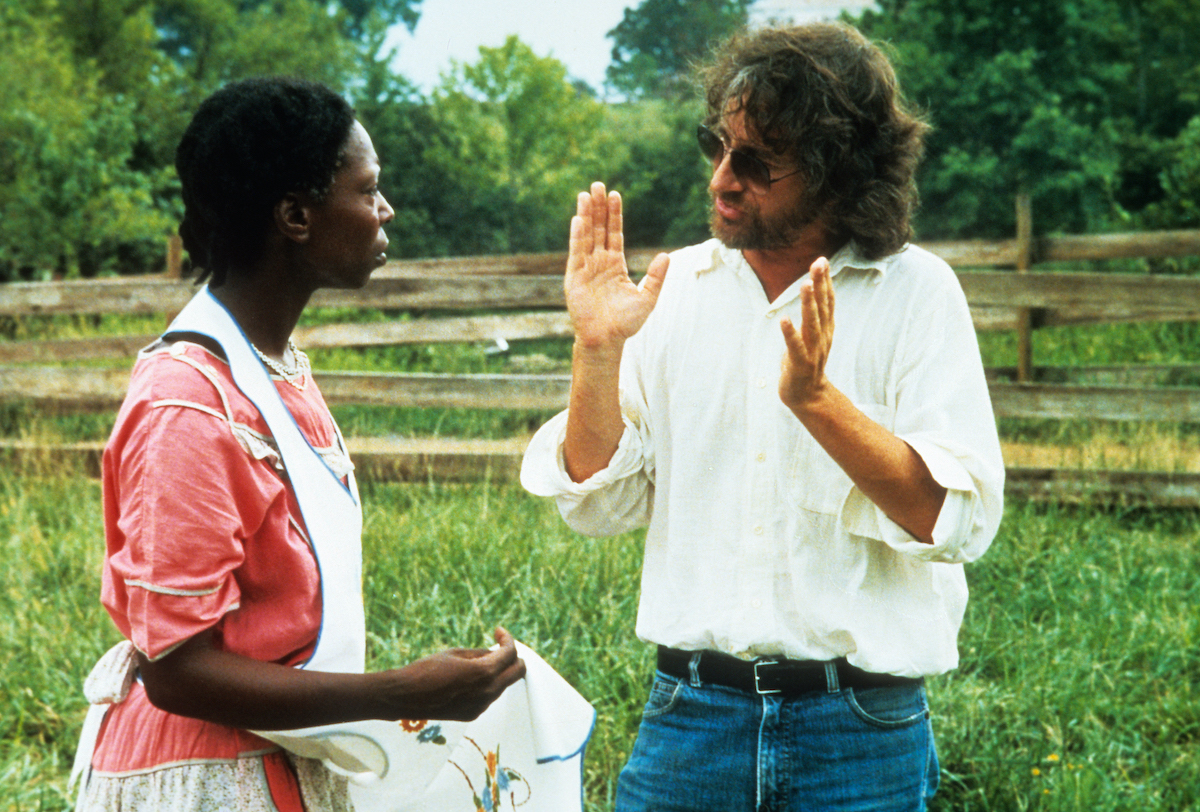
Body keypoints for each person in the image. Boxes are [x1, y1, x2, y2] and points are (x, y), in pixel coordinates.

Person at [521, 22, 1004, 811]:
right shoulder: (675, 291)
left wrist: (819, 405)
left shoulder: (916, 293)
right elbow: (599, 504)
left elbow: (954, 521)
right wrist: (598, 348)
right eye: (718, 146)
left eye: (756, 161)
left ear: (837, 173)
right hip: (689, 723)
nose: (722, 178)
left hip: (861, 733)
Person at [74, 77, 525, 812]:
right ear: (295, 216)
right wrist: (404, 691)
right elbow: (175, 670)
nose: (386, 210)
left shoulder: (271, 373)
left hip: (279, 755)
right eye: (367, 188)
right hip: (206, 778)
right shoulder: (188, 405)